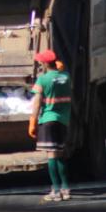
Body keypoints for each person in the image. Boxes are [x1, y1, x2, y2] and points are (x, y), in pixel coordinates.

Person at [28, 49, 72, 202]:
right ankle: (66, 188)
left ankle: (56, 190)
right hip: (63, 121)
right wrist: (60, 71)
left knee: (51, 155)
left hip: (48, 120)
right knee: (60, 153)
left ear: (46, 63)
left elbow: (37, 102)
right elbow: (61, 79)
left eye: (41, 61)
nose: (39, 62)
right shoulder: (66, 77)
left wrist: (33, 121)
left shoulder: (42, 80)